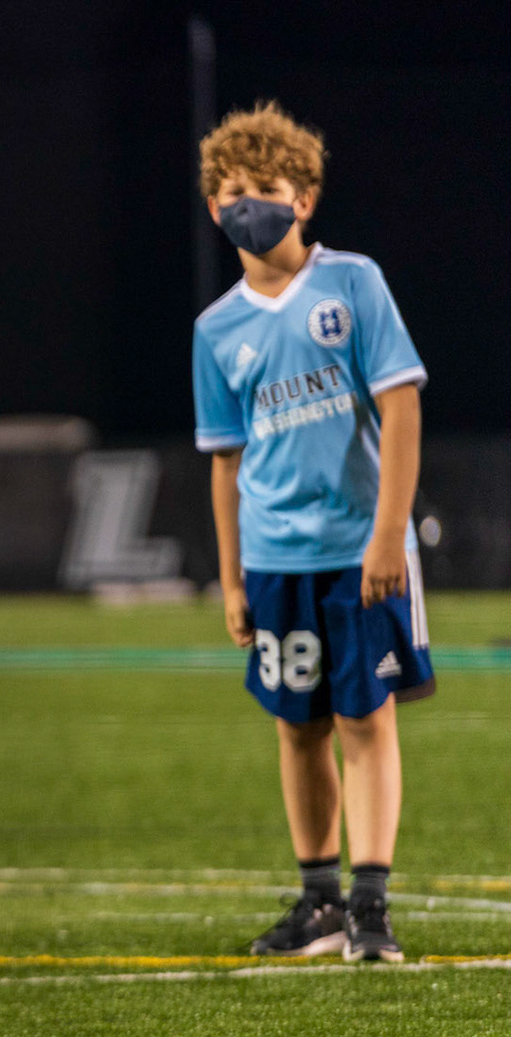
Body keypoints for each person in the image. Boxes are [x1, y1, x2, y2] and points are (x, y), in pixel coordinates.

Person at [193, 103, 429, 964]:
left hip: (360, 552)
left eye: (265, 186)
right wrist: (231, 579)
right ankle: (320, 901)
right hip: (273, 560)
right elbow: (225, 463)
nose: (247, 203)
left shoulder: (352, 283)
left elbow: (400, 408)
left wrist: (388, 533)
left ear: (305, 197)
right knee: (297, 726)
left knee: (365, 719)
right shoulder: (215, 329)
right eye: (231, 190)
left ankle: (371, 905)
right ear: (212, 206)